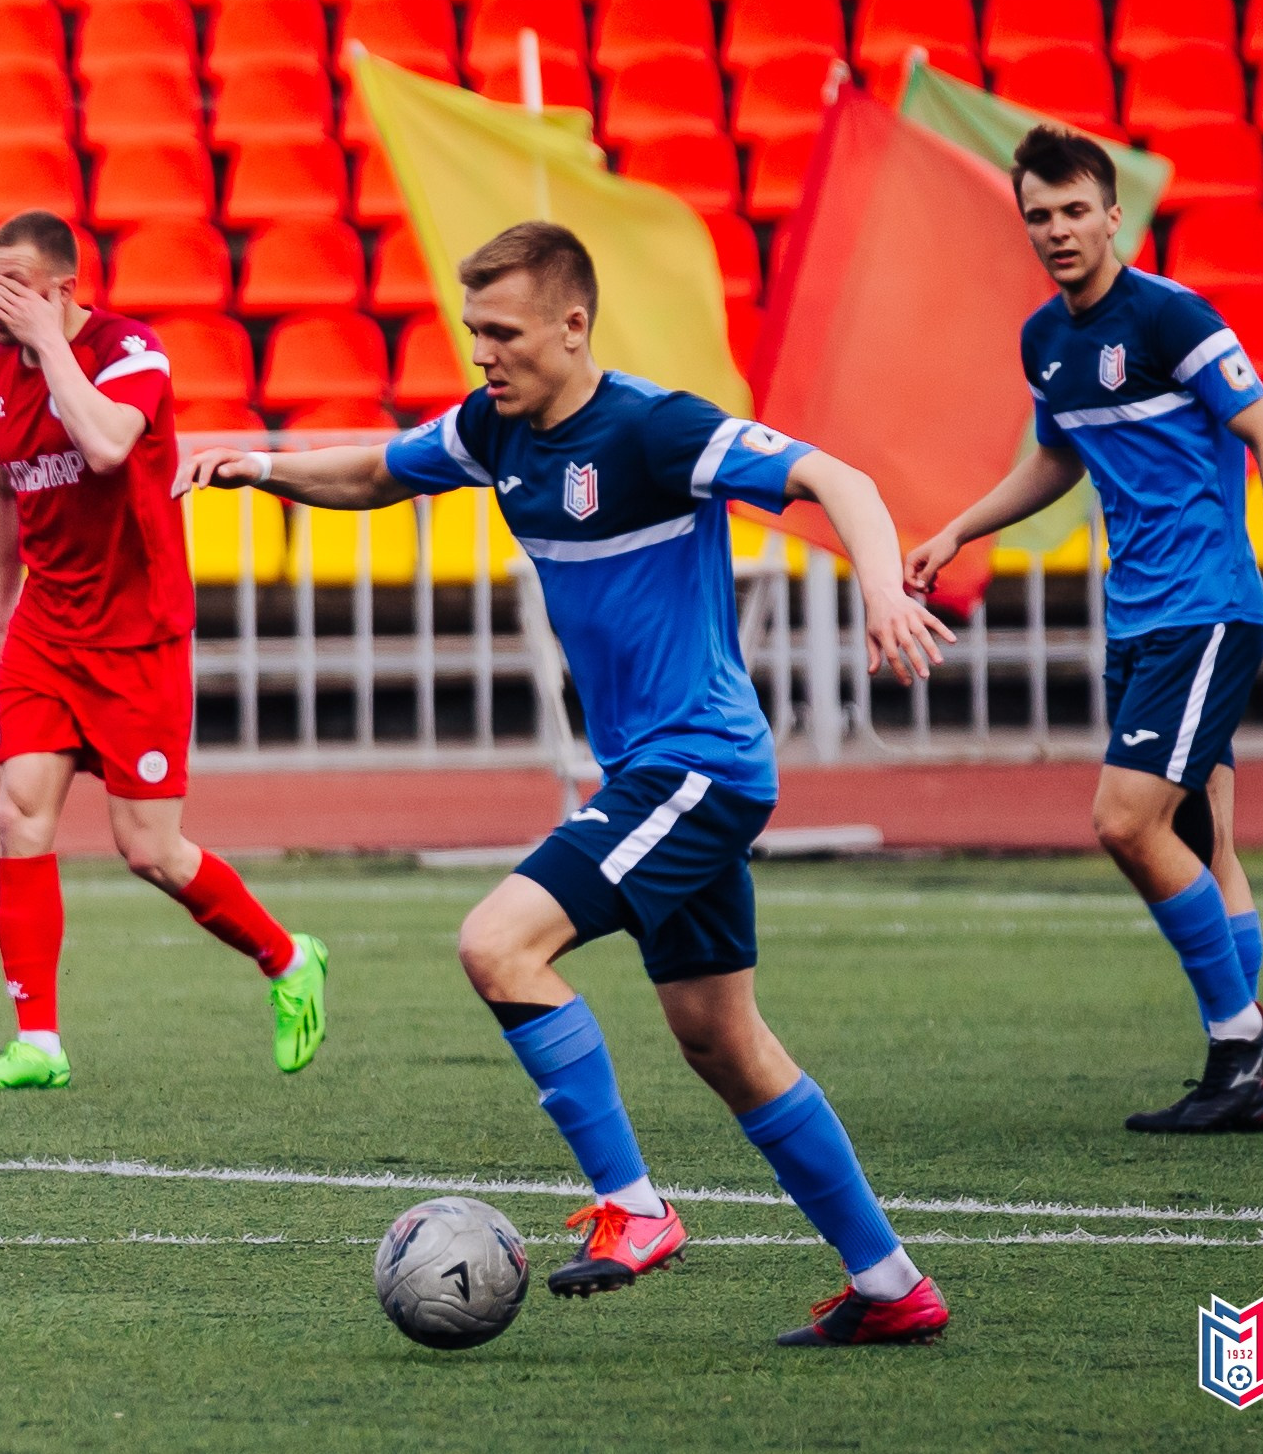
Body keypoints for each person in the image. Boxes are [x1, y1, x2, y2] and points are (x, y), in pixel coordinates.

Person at [179, 222, 957, 1347]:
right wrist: (261, 469)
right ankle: (890, 1282)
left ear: (571, 323)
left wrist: (881, 590)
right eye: (472, 331)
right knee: (723, 1041)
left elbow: (836, 476)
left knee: (497, 944)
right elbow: (376, 470)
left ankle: (632, 1208)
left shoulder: (651, 427)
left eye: (500, 332)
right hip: (662, 771)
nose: (482, 352)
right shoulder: (497, 430)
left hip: (695, 765)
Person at [908, 128, 1263, 1134]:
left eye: (1070, 211)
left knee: (1123, 821)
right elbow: (1058, 457)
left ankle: (1240, 1032)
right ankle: (1239, 1078)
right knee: (1203, 839)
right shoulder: (1043, 339)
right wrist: (959, 527)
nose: (1054, 230)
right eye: (1037, 216)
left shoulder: (1170, 315)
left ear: (1111, 216)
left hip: (1205, 610)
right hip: (1135, 617)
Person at [0, 210, 328, 1091]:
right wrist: (2, 611)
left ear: (61, 290)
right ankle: (37, 1040)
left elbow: (109, 443)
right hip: (48, 623)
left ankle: (286, 957)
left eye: (12, 283)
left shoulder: (131, 354)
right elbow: (4, 492)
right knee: (18, 811)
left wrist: (52, 346)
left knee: (149, 848)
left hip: (138, 631)